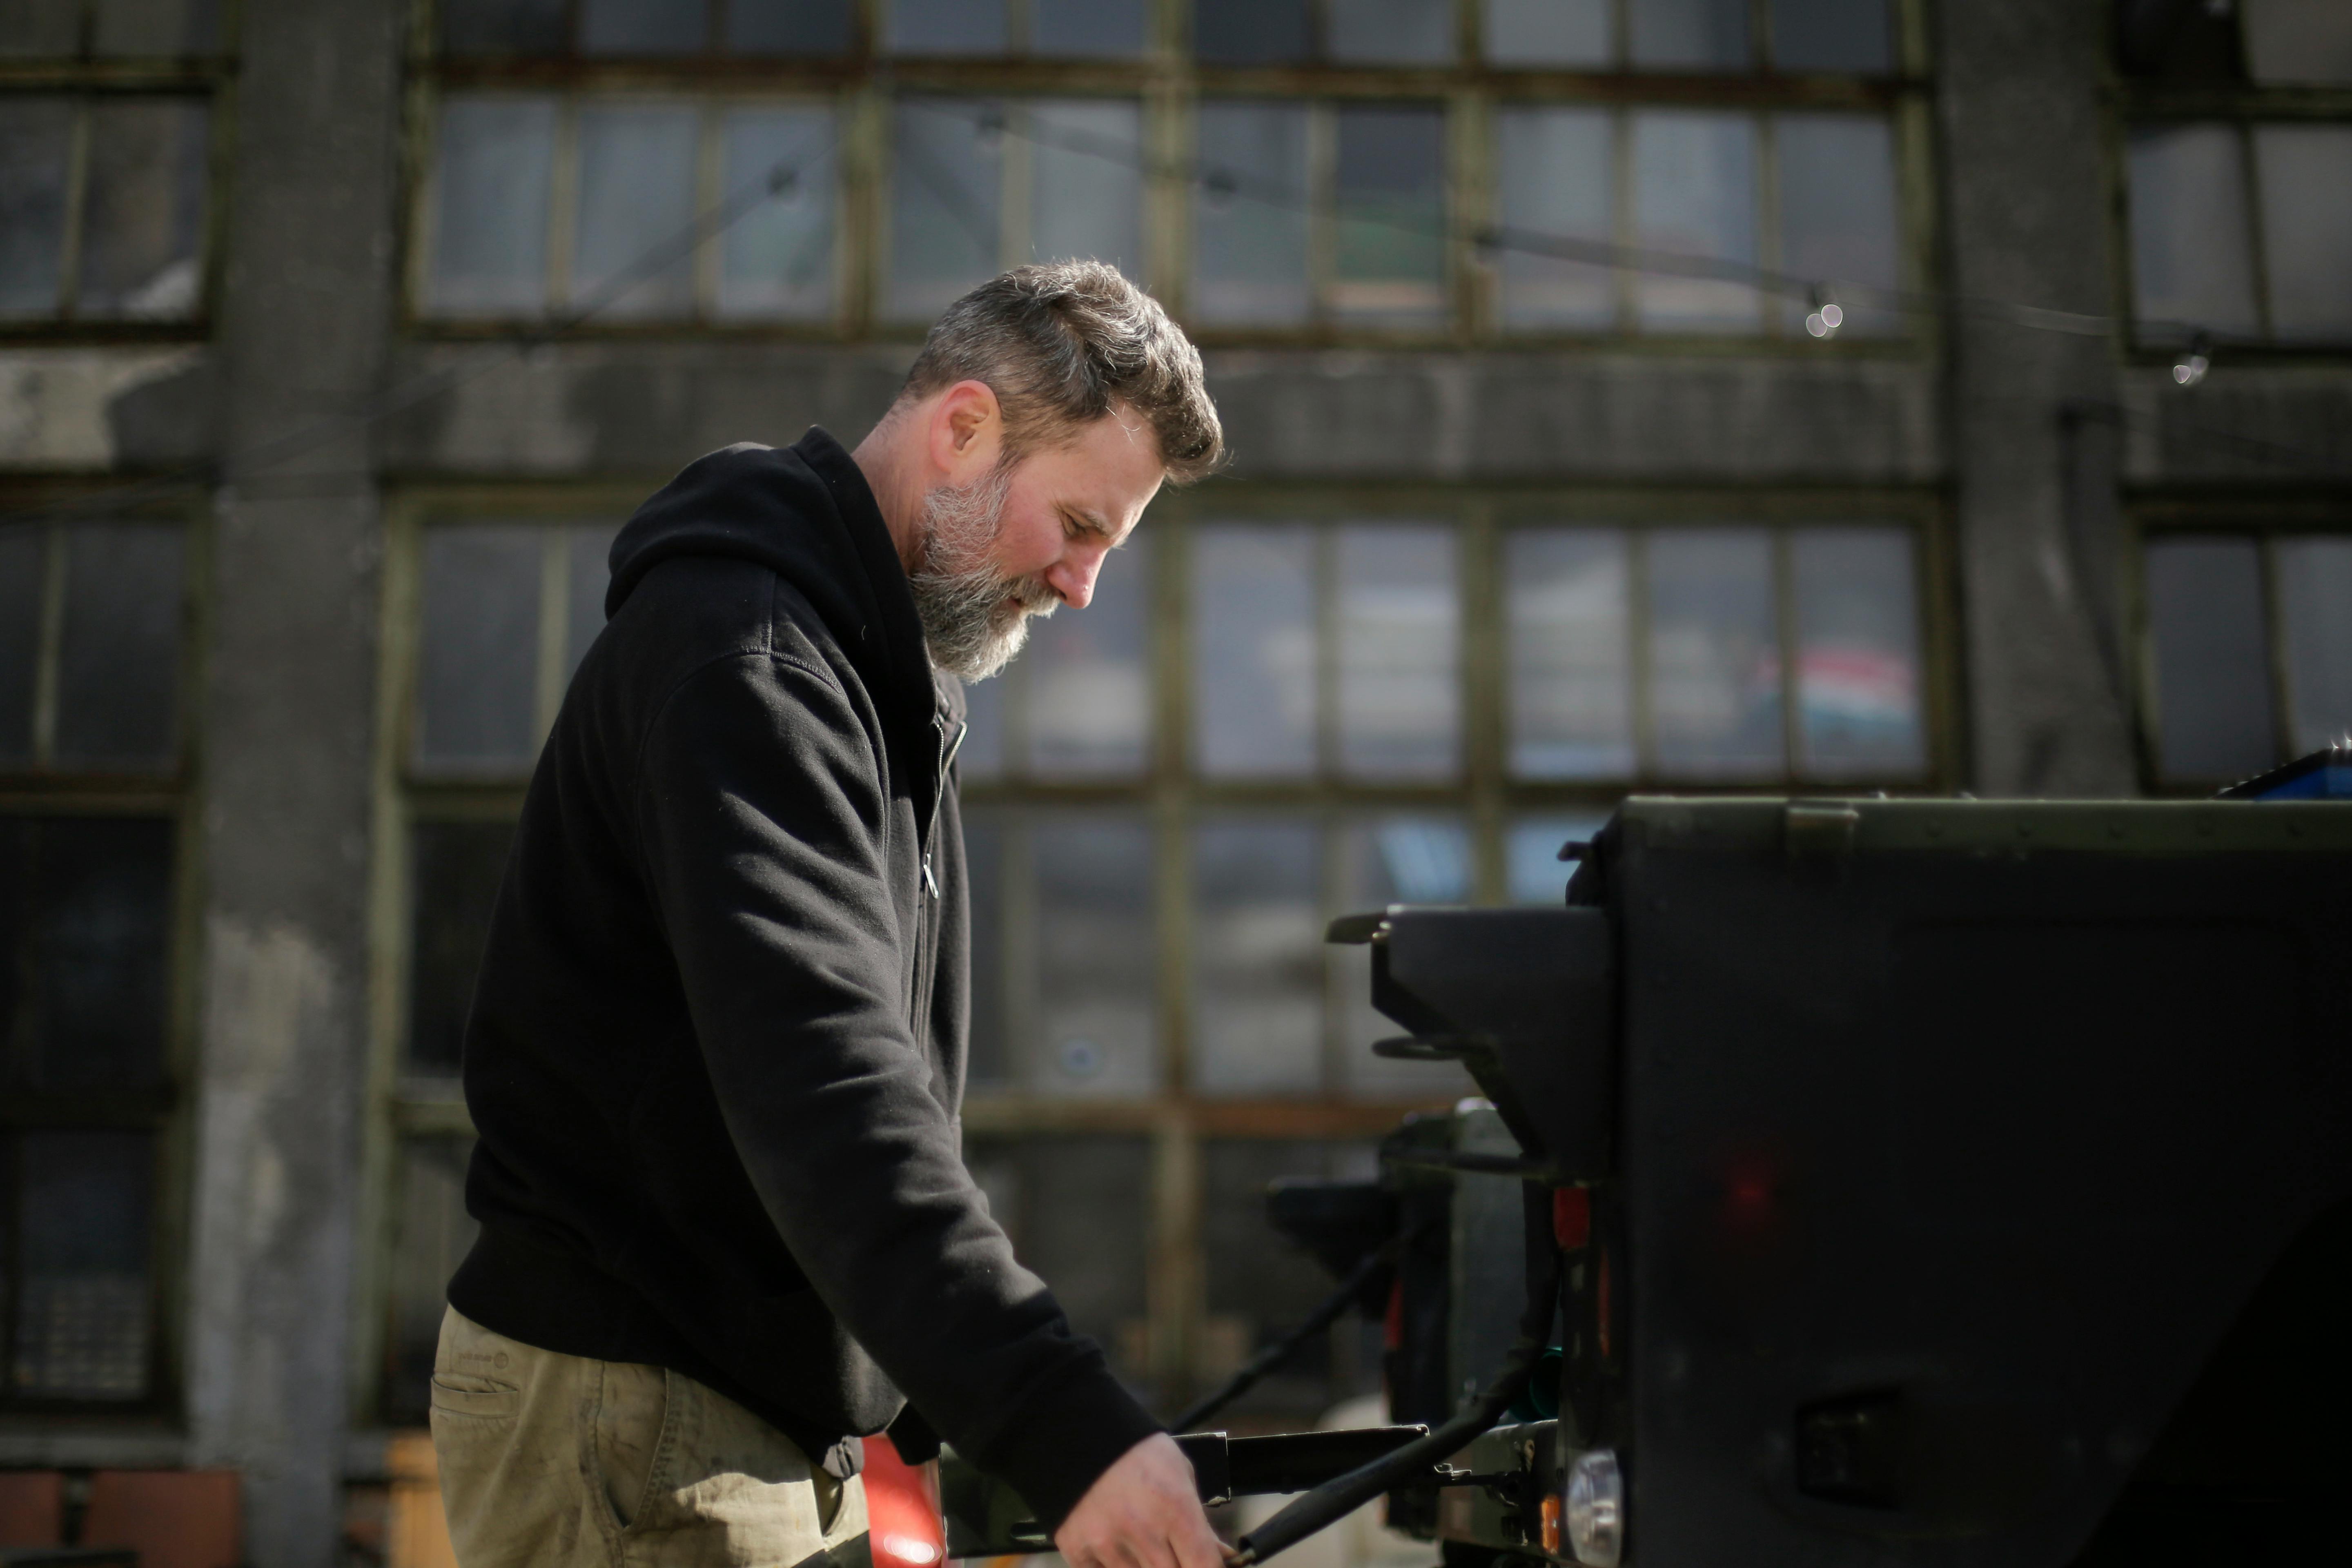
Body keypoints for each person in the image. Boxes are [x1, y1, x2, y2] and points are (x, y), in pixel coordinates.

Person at [429, 261, 1227, 1568]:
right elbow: (829, 1084)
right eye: (1079, 526)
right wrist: (1063, 1429)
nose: (1083, 584)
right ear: (963, 428)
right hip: (636, 1413)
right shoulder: (746, 664)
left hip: (752, 1417)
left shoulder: (875, 674)